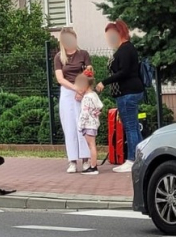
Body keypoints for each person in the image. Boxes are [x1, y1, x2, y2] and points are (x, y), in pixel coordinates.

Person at [96, 19, 144, 173]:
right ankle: (141, 157)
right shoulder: (129, 48)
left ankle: (131, 160)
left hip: (127, 93)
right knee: (134, 127)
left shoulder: (124, 50)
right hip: (132, 91)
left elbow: (122, 72)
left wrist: (104, 82)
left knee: (130, 127)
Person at [54, 27, 92, 173]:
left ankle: (86, 159)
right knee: (69, 126)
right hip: (68, 94)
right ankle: (72, 161)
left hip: (82, 92)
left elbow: (89, 72)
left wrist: (81, 89)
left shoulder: (83, 54)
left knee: (83, 125)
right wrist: (75, 88)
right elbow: (60, 78)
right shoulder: (59, 57)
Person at [75, 67, 102, 176]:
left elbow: (84, 113)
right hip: (94, 124)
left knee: (91, 146)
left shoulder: (86, 98)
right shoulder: (94, 95)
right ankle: (93, 165)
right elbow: (100, 106)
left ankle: (93, 167)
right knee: (92, 145)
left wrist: (80, 125)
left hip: (88, 124)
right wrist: (96, 113)